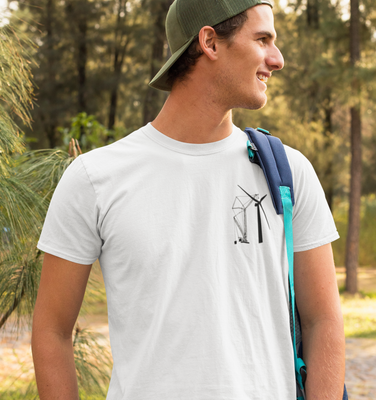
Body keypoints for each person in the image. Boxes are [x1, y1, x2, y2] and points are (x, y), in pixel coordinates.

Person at [31, 0, 346, 399]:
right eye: (262, 39)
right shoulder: (95, 178)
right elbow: (52, 330)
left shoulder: (288, 172)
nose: (277, 59)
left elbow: (323, 322)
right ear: (210, 42)